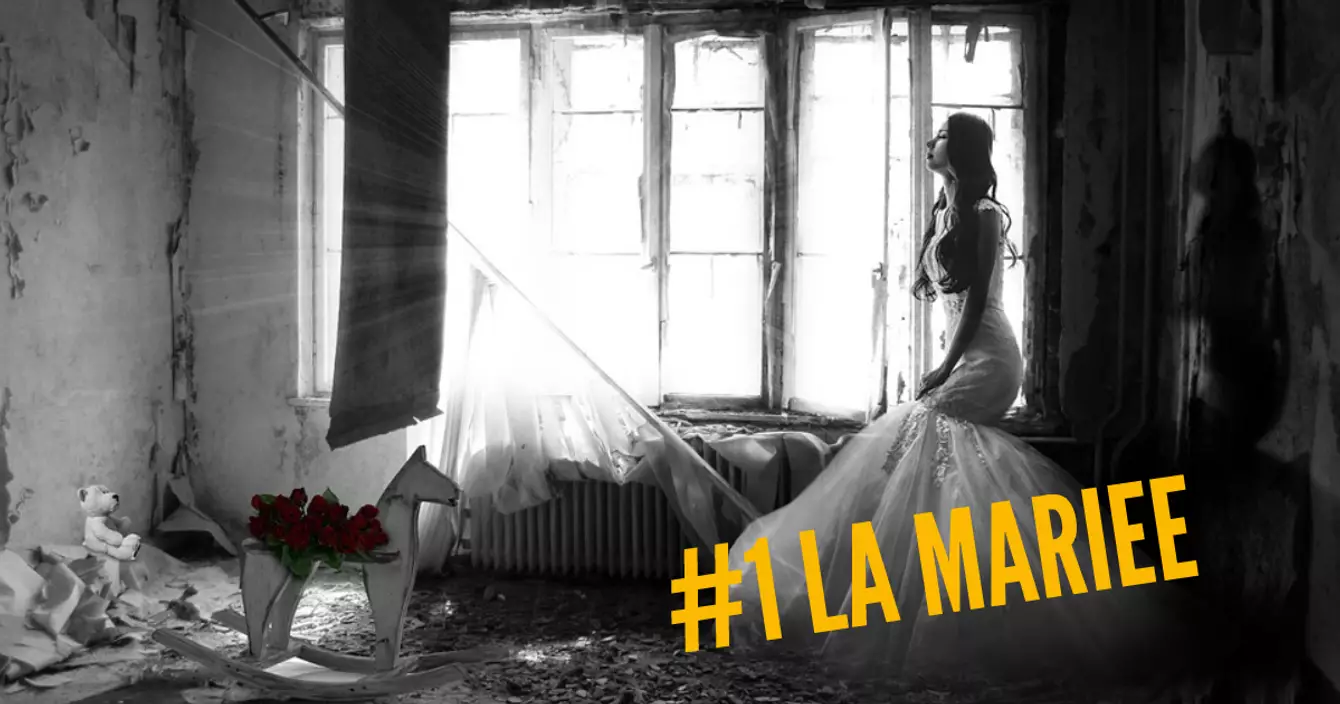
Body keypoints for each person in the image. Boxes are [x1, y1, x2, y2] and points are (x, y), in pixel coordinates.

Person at [723, 112, 1195, 686]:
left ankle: (942, 609)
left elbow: (976, 303)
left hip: (991, 359)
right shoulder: (944, 211)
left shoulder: (985, 213)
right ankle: (917, 594)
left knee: (920, 433)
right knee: (924, 456)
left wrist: (945, 366)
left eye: (943, 135)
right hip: (964, 354)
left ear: (964, 149)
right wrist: (941, 360)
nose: (931, 141)